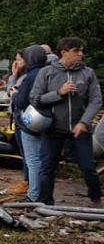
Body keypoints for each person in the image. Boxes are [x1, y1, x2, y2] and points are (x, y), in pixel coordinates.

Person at [30, 37, 102, 206]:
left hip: (80, 129)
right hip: (53, 128)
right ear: (64, 52)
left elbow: (96, 100)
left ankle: (96, 196)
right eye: (76, 51)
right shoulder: (46, 72)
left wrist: (84, 122)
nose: (81, 54)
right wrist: (58, 93)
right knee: (47, 167)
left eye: (82, 50)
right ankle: (45, 203)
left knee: (88, 167)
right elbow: (35, 98)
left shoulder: (87, 73)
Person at [12, 45, 48, 202]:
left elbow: (21, 100)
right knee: (43, 160)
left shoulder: (30, 76)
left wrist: (14, 94)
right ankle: (44, 194)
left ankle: (33, 195)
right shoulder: (49, 72)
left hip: (30, 120)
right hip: (48, 120)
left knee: (32, 160)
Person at [7, 51, 29, 196]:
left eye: (19, 60)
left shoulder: (26, 78)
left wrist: (13, 78)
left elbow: (13, 93)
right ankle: (26, 181)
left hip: (24, 118)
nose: (16, 63)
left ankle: (28, 182)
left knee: (28, 153)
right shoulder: (20, 76)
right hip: (17, 117)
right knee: (24, 153)